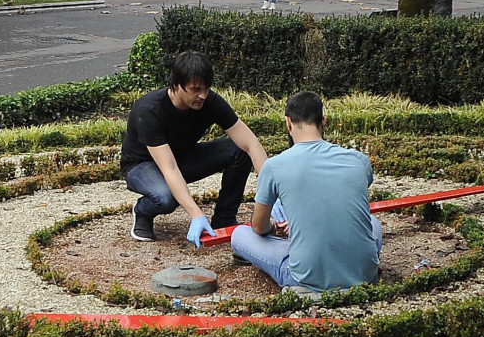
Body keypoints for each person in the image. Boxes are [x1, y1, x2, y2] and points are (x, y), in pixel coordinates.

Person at [231, 91, 382, 300]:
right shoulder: (359, 160)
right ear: (324, 122)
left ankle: (303, 271)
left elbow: (258, 226)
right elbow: (336, 200)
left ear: (288, 123)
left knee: (240, 234)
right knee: (373, 222)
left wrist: (275, 228)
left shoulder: (274, 166)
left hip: (305, 277)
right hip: (363, 275)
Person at [121, 51, 267, 246]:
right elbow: (169, 168)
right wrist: (196, 214)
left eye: (206, 89)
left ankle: (224, 219)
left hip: (182, 158)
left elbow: (251, 143)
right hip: (142, 165)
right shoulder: (150, 111)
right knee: (165, 198)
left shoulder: (210, 101)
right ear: (176, 84)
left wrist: (271, 192)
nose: (203, 95)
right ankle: (142, 211)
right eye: (196, 89)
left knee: (239, 149)